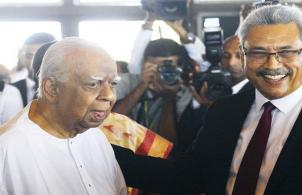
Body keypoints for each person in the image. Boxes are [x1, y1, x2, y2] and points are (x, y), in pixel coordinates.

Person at [117, 4, 302, 195]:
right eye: (259, 53)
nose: (272, 65)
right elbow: (188, 177)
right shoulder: (224, 111)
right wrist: (97, 152)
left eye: (286, 51)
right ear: (245, 56)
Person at [0, 37, 127, 194]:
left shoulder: (95, 135)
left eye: (113, 84)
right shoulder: (7, 149)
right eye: (93, 84)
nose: (109, 96)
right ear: (52, 88)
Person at [113, 38, 193, 143]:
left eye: (170, 68)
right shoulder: (125, 82)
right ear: (144, 64)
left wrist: (168, 99)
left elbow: (168, 143)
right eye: (159, 67)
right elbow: (108, 124)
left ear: (180, 68)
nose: (165, 73)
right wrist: (142, 86)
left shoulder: (183, 93)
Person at [11, 32, 55, 106]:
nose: (33, 62)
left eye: (40, 56)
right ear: (21, 57)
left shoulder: (64, 90)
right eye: (29, 56)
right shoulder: (10, 90)